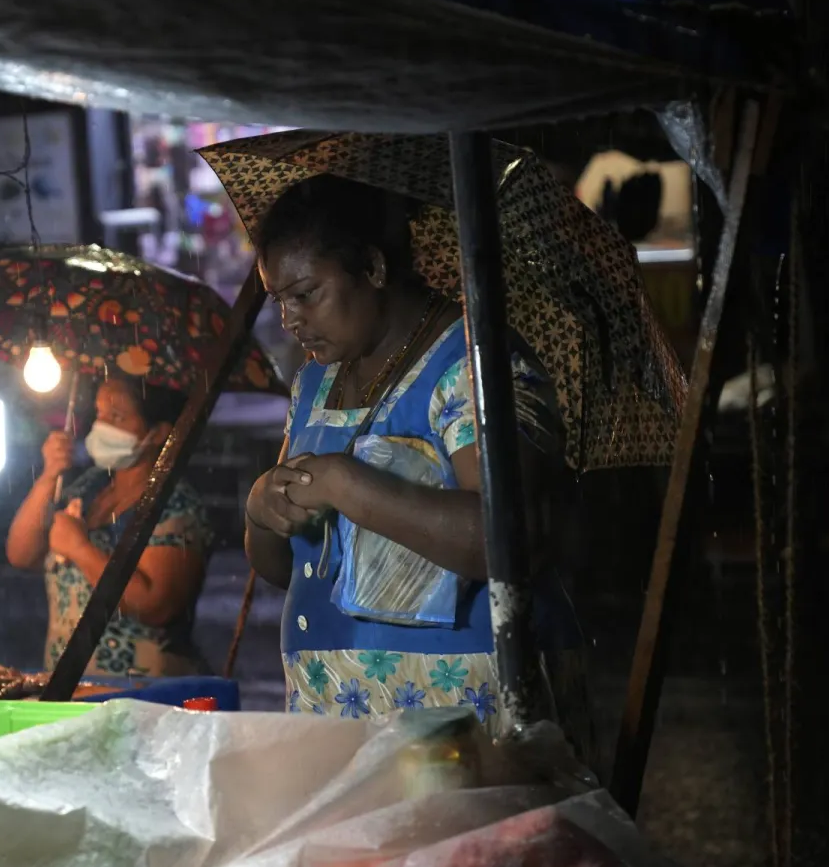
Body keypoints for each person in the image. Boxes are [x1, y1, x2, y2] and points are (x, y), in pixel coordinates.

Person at [243, 175, 589, 749]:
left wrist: (346, 483)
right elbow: (292, 568)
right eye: (279, 299)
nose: (290, 319)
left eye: (306, 293)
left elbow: (509, 537)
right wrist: (261, 510)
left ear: (374, 269)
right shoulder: (314, 384)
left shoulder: (474, 365)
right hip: (333, 705)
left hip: (459, 712)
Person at [6, 378, 213, 677]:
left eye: (116, 416)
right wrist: (50, 474)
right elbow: (21, 554)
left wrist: (80, 548)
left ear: (158, 433)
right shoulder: (89, 486)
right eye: (99, 412)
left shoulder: (176, 505)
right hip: (70, 686)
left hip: (145, 695)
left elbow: (156, 606)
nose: (100, 425)